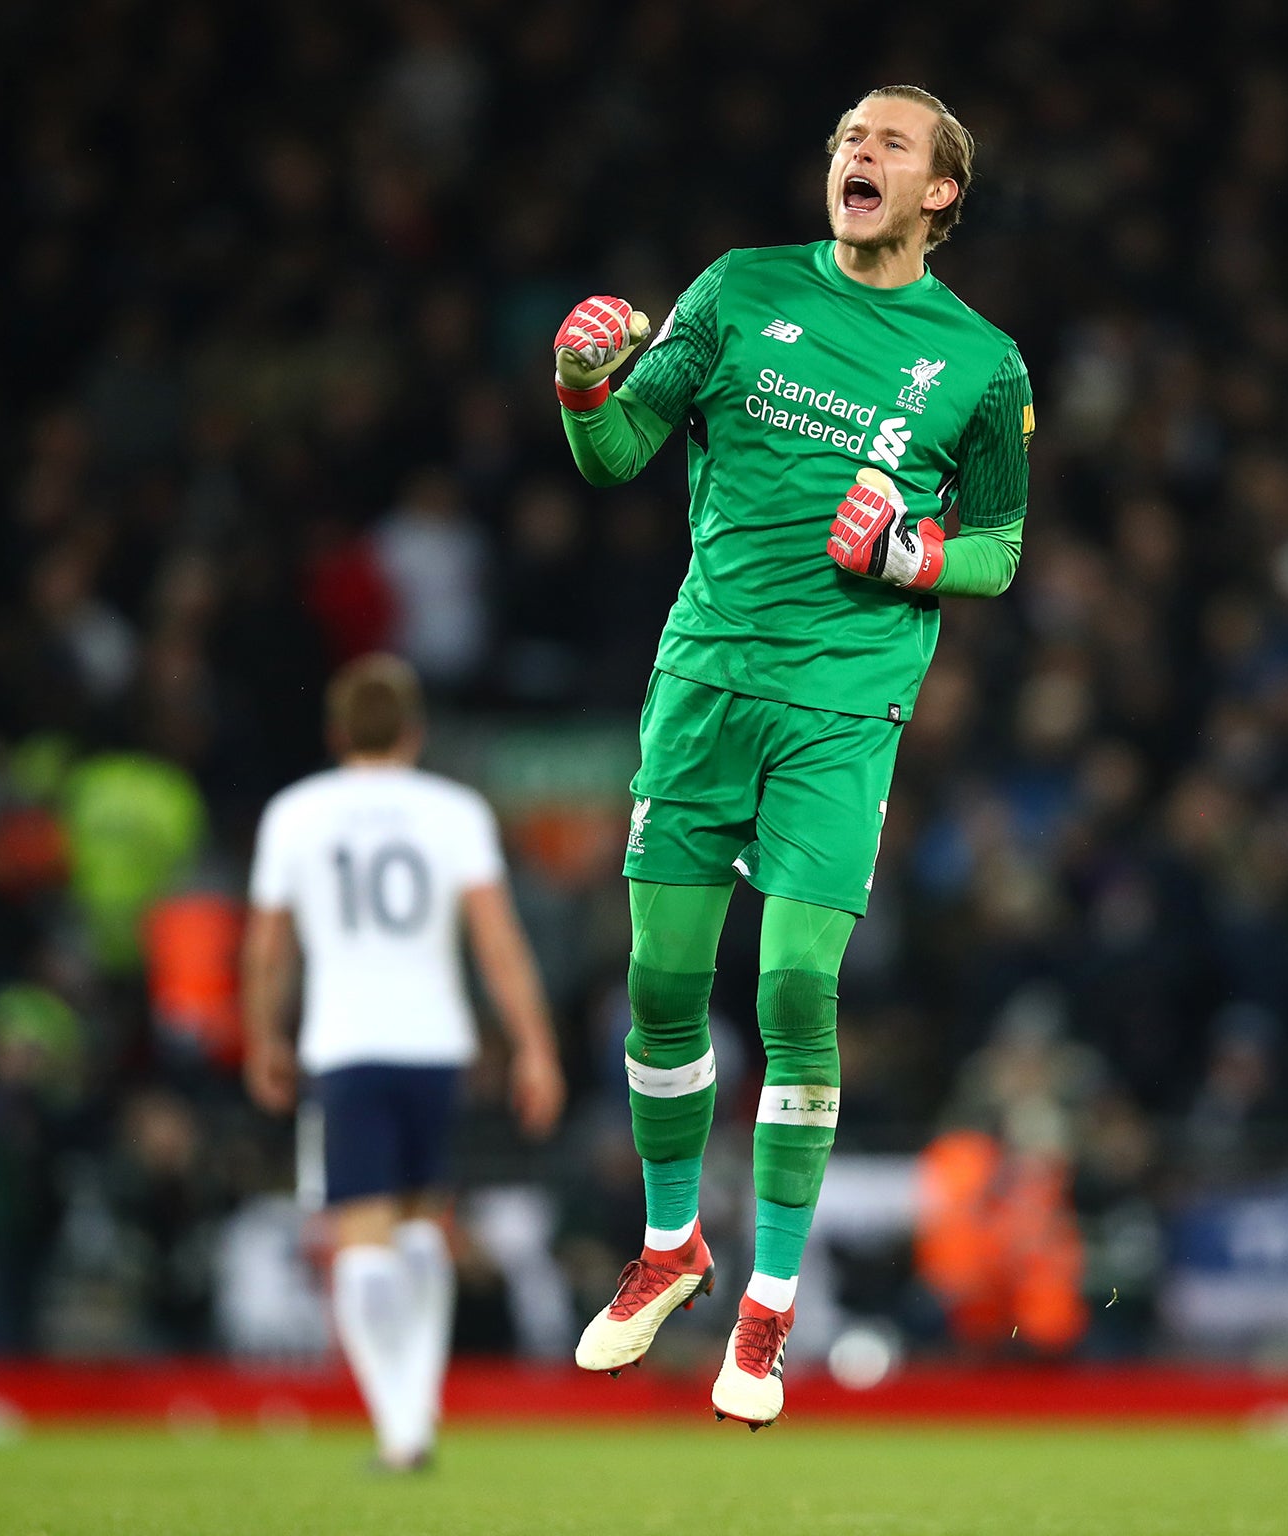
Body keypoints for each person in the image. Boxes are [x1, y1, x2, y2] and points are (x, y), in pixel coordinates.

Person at [553, 84, 1034, 1428]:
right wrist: (582, 380)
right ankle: (669, 1250)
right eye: (842, 140)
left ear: (941, 191)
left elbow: (998, 545)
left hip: (840, 710)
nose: (854, 155)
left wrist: (908, 551)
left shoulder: (982, 364)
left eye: (887, 143)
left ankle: (766, 1314)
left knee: (795, 996)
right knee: (659, 988)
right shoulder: (736, 289)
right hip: (703, 680)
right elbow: (615, 453)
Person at [241, 653, 565, 1471]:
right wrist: (534, 1045)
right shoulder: (453, 811)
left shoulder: (296, 814)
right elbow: (497, 941)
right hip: (435, 1045)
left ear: (337, 731)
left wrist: (262, 1037)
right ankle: (416, 1414)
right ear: (415, 731)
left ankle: (399, 1425)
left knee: (363, 1238)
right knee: (423, 1232)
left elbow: (267, 948)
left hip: (344, 1045)